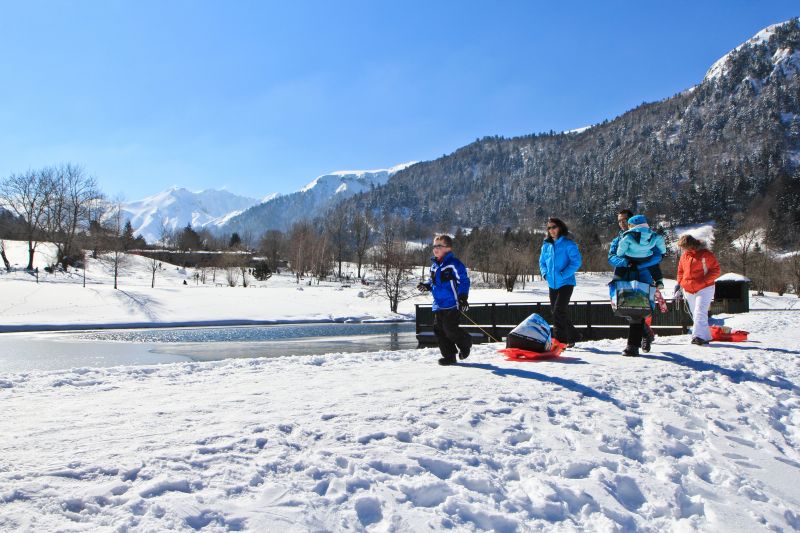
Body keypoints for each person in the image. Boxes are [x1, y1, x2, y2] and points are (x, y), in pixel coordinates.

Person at [417, 234, 472, 365]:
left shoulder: (454, 264)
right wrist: (426, 286)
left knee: (450, 328)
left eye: (439, 246)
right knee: (439, 331)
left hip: (452, 304)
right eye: (434, 246)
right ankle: (449, 356)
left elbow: (464, 281)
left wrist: (463, 297)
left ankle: (465, 342)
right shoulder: (434, 266)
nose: (435, 248)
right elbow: (432, 282)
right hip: (439, 305)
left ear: (448, 248)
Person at [609, 209, 658, 353]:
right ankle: (646, 333)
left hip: (642, 275)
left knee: (637, 308)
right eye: (619, 220)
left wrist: (640, 264)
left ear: (632, 221)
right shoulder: (617, 239)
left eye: (624, 220)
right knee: (625, 308)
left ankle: (632, 346)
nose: (621, 223)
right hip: (623, 275)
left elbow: (657, 255)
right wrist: (626, 262)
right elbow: (611, 257)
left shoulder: (647, 236)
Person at [539, 217, 582, 347]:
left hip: (566, 283)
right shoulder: (546, 245)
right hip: (552, 283)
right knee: (558, 311)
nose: (551, 230)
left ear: (560, 228)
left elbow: (576, 262)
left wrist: (564, 274)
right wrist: (545, 274)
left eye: (554, 227)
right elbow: (542, 262)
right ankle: (574, 335)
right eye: (549, 228)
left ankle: (560, 342)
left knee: (558, 311)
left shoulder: (569, 244)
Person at [675, 234, 721, 345]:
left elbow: (716, 270)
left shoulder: (706, 254)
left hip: (705, 288)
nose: (682, 249)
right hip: (688, 289)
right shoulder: (684, 256)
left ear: (690, 245)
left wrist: (703, 282)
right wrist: (680, 283)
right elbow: (680, 271)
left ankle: (697, 336)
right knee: (695, 313)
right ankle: (705, 336)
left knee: (699, 311)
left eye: (684, 247)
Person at [614, 214, 666, 289]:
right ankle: (659, 281)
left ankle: (616, 278)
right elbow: (660, 240)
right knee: (654, 265)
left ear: (632, 225)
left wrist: (620, 255)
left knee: (621, 265)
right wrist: (663, 252)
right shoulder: (651, 234)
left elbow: (622, 246)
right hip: (646, 257)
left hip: (630, 257)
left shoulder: (629, 235)